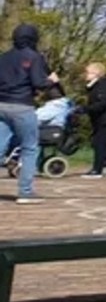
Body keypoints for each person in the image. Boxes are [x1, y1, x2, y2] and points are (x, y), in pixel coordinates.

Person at [0, 25, 56, 202]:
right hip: (22, 105)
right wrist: (51, 81)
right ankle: (25, 192)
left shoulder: (4, 57)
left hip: (2, 105)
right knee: (30, 148)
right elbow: (38, 83)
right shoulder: (34, 57)